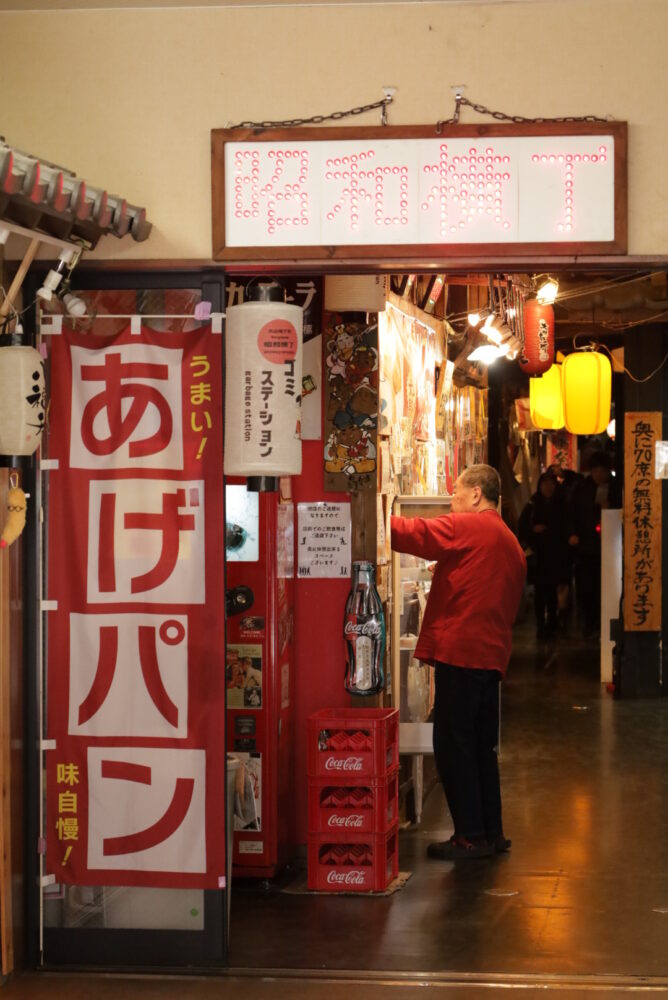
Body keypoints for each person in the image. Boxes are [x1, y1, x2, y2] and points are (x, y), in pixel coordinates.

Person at [391, 465, 526, 860]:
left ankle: (469, 834)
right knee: (482, 746)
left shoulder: (471, 527)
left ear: (477, 495)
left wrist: (379, 514)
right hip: (491, 654)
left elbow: (416, 534)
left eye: (455, 493)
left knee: (453, 743)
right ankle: (490, 832)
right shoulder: (511, 543)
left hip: (461, 651)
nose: (451, 501)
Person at [565, 452, 613, 637]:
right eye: (596, 471)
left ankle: (603, 623)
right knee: (586, 587)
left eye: (603, 471)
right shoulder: (581, 488)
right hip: (585, 546)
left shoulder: (614, 487)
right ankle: (589, 622)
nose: (600, 475)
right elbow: (570, 513)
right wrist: (572, 534)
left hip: (609, 547)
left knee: (605, 587)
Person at [518, 472, 567, 639]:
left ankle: (552, 624)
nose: (548, 487)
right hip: (538, 556)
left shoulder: (562, 505)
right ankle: (540, 626)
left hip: (555, 556)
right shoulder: (532, 504)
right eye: (544, 484)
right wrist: (533, 531)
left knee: (553, 592)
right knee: (539, 592)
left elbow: (566, 528)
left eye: (551, 484)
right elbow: (522, 528)